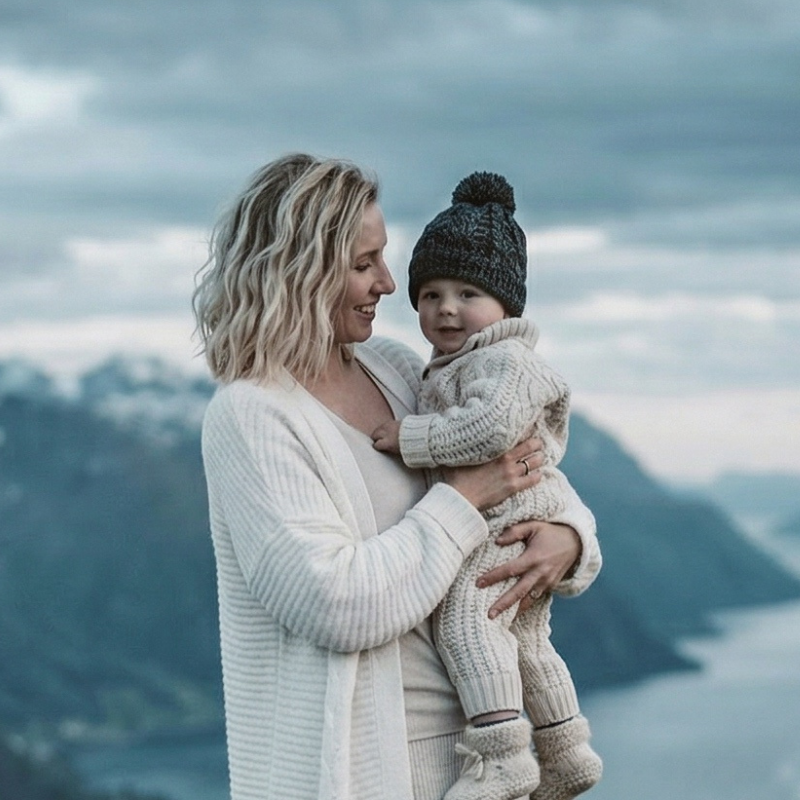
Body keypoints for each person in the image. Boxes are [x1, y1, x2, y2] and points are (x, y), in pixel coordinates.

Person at [192, 153, 602, 800]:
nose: (389, 283)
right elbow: (334, 605)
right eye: (363, 264)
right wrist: (464, 500)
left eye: (384, 257)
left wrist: (568, 536)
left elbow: (523, 464)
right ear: (298, 273)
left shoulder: (396, 368)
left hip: (482, 766)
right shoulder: (253, 414)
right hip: (360, 775)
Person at [371, 172, 603, 800]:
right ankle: (565, 750)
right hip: (516, 514)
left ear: (507, 304)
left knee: (469, 626)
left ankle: (501, 755)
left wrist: (409, 437)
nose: (446, 308)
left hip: (510, 520)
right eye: (431, 293)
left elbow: (489, 429)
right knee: (524, 638)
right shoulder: (449, 363)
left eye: (468, 292)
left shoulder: (503, 362)